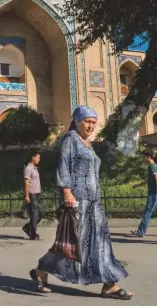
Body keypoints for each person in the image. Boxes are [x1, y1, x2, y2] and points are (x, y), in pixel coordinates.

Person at [30, 106, 132, 300]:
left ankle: (109, 283)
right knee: (73, 243)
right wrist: (67, 193)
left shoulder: (88, 144)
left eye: (94, 122)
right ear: (77, 121)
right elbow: (63, 166)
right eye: (87, 121)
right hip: (78, 200)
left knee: (99, 241)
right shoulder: (70, 139)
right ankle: (42, 270)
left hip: (93, 202)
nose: (91, 125)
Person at [22, 150, 43, 240]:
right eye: (38, 157)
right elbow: (26, 183)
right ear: (33, 157)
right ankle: (33, 233)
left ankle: (27, 227)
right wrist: (27, 196)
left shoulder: (34, 168)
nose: (39, 159)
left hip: (37, 193)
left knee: (40, 213)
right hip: (32, 194)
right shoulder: (28, 169)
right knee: (35, 214)